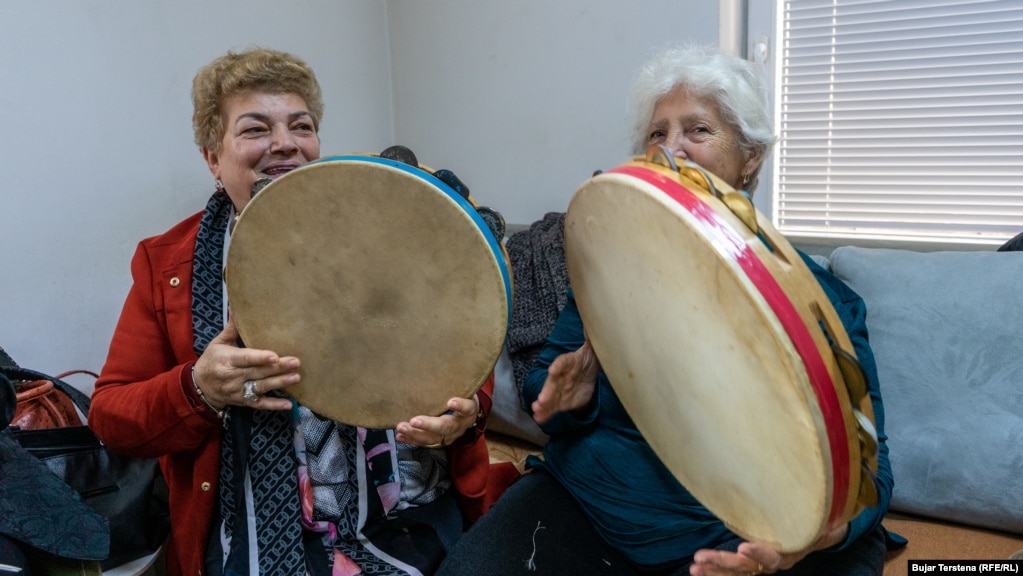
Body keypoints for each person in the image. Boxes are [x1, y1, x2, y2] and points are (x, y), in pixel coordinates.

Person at [437, 42, 898, 576]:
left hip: (722, 535)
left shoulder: (827, 305)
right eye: (658, 133)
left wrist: (818, 536)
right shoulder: (611, 264)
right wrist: (571, 397)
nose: (669, 149)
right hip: (582, 504)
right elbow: (549, 396)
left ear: (750, 157)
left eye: (697, 130)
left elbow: (872, 473)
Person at [89, 47, 514, 576]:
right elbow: (111, 418)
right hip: (251, 537)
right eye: (254, 129)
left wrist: (462, 416)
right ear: (212, 159)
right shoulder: (167, 263)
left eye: (301, 126)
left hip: (411, 518)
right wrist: (198, 390)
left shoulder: (387, 224)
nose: (284, 143)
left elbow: (462, 352)